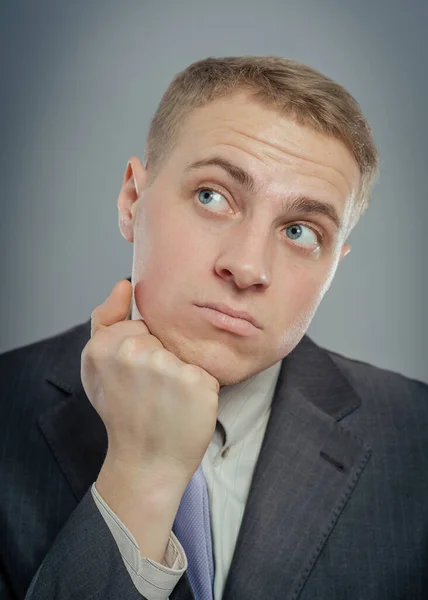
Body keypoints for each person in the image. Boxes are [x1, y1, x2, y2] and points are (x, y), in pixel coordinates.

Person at [0, 55, 427, 600]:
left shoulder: (418, 442)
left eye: (300, 231)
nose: (248, 268)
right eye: (213, 196)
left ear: (334, 266)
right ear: (133, 200)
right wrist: (142, 472)